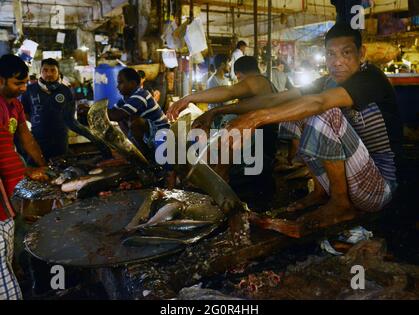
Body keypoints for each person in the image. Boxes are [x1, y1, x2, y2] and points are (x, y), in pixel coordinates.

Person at [222, 23, 402, 238]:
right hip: (353, 181)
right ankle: (321, 192)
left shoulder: (371, 78)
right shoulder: (328, 81)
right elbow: (276, 99)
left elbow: (319, 103)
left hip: (379, 188)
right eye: (331, 54)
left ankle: (340, 204)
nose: (337, 61)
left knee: (324, 111)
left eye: (346, 53)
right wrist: (221, 111)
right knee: (292, 110)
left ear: (361, 53)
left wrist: (255, 119)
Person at [167, 56, 280, 209]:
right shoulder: (263, 89)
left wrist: (189, 98)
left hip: (258, 156)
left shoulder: (258, 81)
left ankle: (218, 178)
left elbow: (229, 91)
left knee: (227, 130)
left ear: (239, 74)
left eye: (239, 80)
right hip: (260, 155)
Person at [0, 54, 48, 300]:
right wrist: (26, 172)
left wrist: (44, 166)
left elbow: (25, 138)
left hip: (10, 179)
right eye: (17, 84)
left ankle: (16, 266)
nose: (21, 89)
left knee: (14, 224)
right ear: (1, 80)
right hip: (5, 177)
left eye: (24, 84)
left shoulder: (15, 105)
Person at [20, 58, 112, 162]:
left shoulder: (65, 91)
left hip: (61, 140)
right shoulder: (29, 90)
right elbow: (24, 113)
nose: (49, 74)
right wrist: (38, 122)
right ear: (40, 72)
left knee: (61, 168)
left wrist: (96, 139)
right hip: (38, 140)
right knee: (39, 170)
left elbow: (71, 120)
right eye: (45, 70)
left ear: (58, 72)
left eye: (53, 70)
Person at [107, 68, 175, 185]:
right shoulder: (126, 98)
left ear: (133, 83)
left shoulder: (140, 95)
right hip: (149, 132)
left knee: (166, 169)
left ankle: (168, 177)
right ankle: (146, 158)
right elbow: (114, 110)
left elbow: (116, 115)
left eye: (121, 82)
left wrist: (97, 110)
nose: (118, 86)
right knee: (125, 121)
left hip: (161, 131)